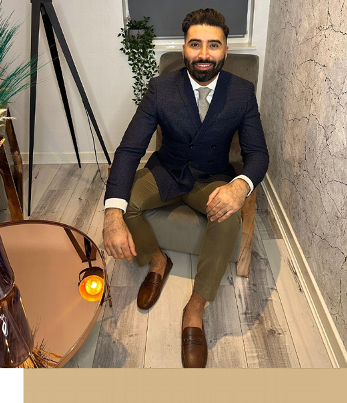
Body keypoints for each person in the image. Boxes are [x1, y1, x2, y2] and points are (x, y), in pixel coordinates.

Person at [103, 8, 269, 368]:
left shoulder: (242, 92)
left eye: (214, 45)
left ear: (225, 51)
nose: (204, 54)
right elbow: (130, 149)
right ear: (184, 49)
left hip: (211, 177)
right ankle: (157, 259)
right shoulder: (161, 89)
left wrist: (239, 187)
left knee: (227, 217)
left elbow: (258, 155)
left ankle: (196, 305)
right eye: (196, 44)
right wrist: (111, 215)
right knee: (124, 203)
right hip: (167, 171)